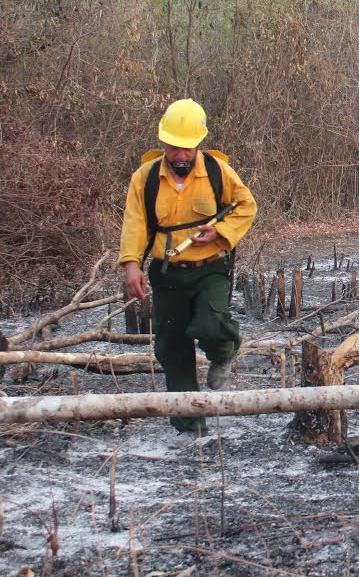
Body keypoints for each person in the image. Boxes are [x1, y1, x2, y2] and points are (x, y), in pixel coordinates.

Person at [118, 98, 257, 435]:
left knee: (210, 325)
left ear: (199, 143)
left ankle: (225, 350)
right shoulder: (145, 178)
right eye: (174, 147)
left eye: (187, 148)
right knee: (172, 348)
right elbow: (135, 223)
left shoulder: (217, 171)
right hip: (167, 274)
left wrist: (219, 231)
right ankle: (189, 427)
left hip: (211, 268)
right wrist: (131, 265)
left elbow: (246, 206)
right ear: (163, 142)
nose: (180, 155)